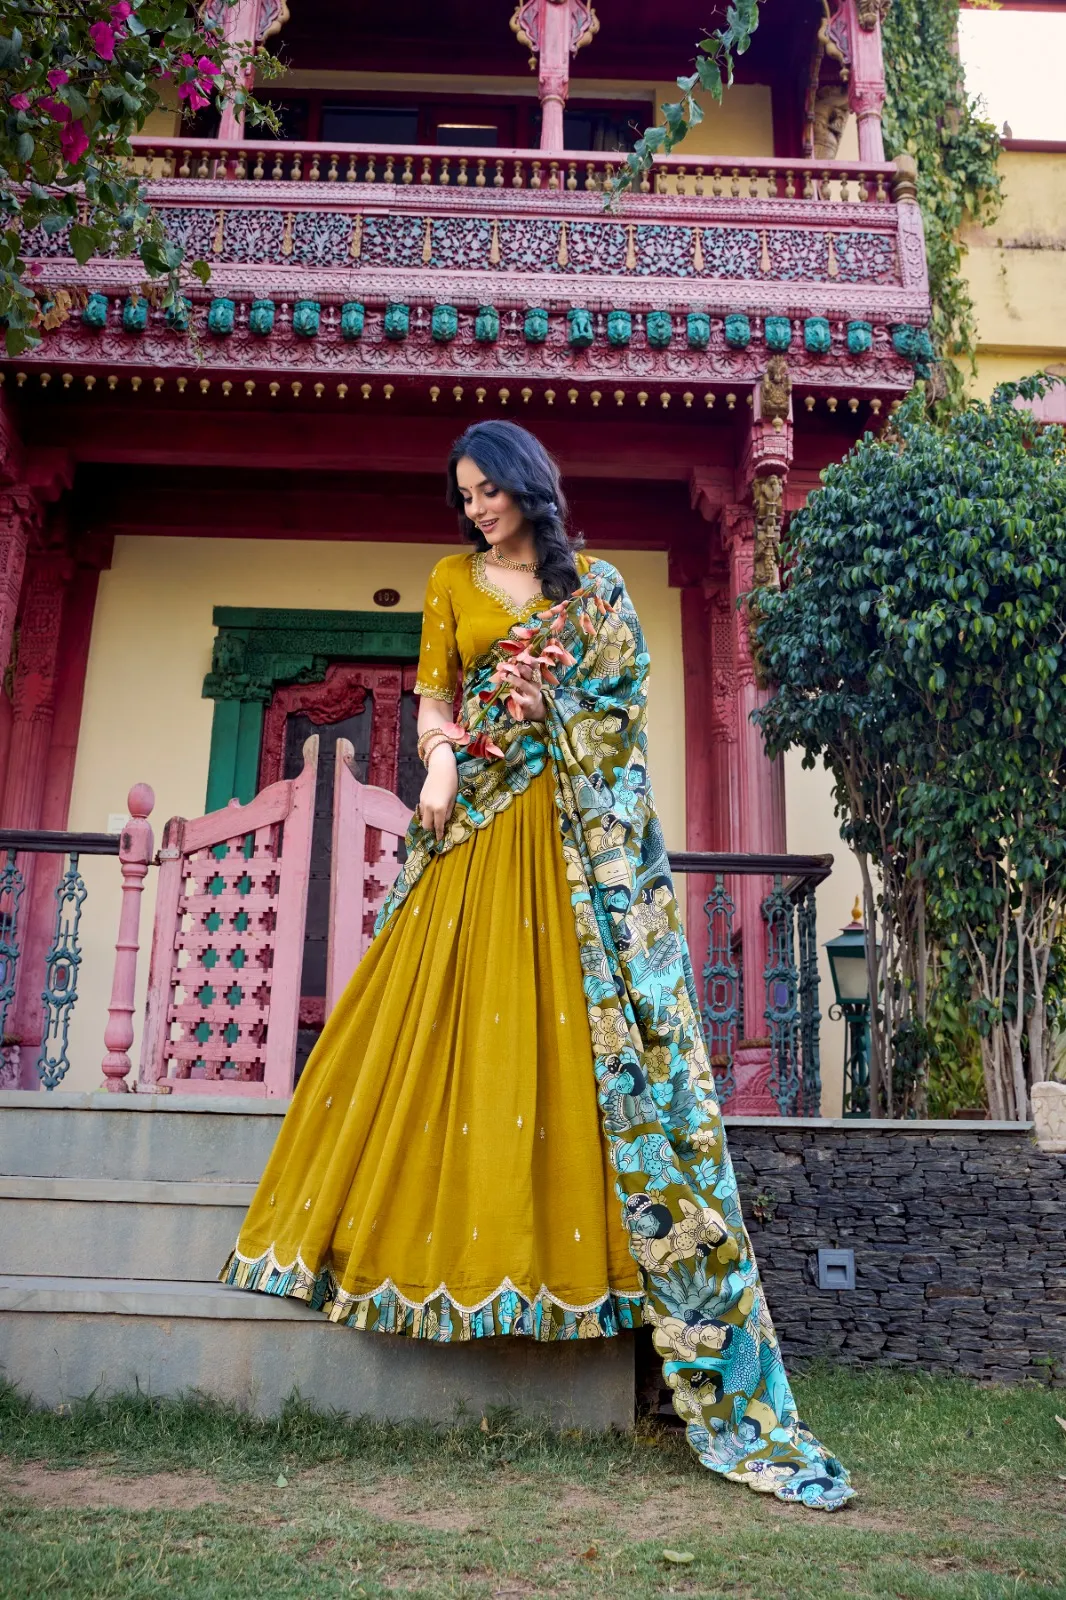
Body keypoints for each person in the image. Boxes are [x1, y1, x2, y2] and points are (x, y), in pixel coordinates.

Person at [221, 419, 853, 1512]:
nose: (473, 509)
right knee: (433, 1026)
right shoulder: (447, 580)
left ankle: (604, 1281)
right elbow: (430, 694)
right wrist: (434, 759)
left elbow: (621, 712)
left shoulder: (595, 588)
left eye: (486, 491)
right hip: (476, 828)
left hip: (571, 840)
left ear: (525, 487)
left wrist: (550, 700)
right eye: (461, 495)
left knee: (576, 1045)